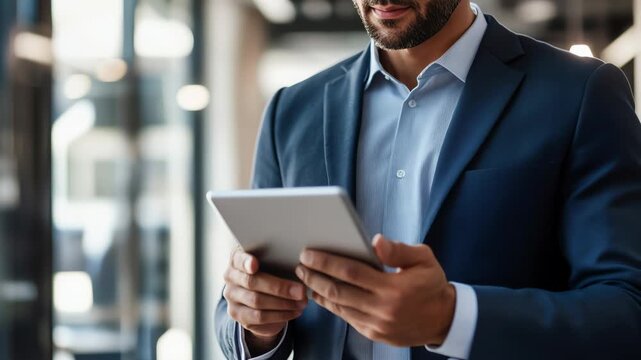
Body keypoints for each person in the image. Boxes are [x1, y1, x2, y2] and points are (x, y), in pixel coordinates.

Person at [216, 0, 641, 359]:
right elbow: (244, 306)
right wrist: (254, 321)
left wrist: (451, 317)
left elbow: (626, 309)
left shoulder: (579, 93)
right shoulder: (292, 110)